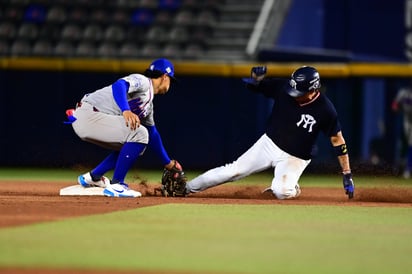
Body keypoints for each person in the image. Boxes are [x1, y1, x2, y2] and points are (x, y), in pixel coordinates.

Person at [181, 66, 355, 199]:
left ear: (313, 90)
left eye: (300, 92)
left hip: (295, 157)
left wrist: (346, 173)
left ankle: (292, 188)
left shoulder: (326, 110)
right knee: (232, 171)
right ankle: (186, 188)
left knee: (281, 192)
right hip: (268, 144)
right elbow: (256, 86)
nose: (294, 94)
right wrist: (256, 78)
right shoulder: (285, 88)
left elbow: (337, 140)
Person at [67, 58, 184, 197]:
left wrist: (168, 163)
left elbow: (153, 134)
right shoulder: (143, 81)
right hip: (89, 114)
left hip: (89, 118)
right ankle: (117, 184)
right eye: (171, 79)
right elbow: (119, 85)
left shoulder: (148, 104)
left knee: (135, 142)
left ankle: (93, 177)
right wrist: (125, 110)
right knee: (139, 134)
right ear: (165, 77)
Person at [391, 82, 412, 178]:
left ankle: (408, 169)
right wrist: (397, 107)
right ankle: (403, 168)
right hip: (407, 120)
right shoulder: (403, 92)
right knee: (405, 144)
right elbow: (395, 105)